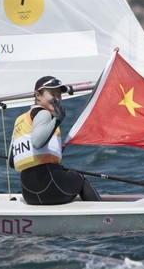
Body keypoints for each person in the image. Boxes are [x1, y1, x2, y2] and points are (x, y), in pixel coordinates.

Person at [8, 76, 101, 205]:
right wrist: (58, 119)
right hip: (50, 188)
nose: (57, 99)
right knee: (79, 178)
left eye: (59, 95)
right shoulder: (44, 114)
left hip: (29, 194)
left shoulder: (20, 121)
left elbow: (12, 162)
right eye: (52, 94)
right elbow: (37, 142)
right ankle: (104, 217)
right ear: (38, 96)